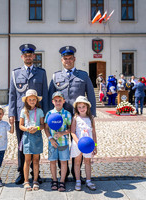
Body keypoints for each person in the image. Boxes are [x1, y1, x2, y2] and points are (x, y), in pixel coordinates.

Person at [48, 45, 96, 181]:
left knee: (79, 143)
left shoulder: (83, 75)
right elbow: (50, 95)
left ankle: (77, 172)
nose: (67, 60)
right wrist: (49, 115)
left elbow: (91, 95)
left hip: (78, 116)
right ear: (62, 60)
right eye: (65, 58)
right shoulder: (56, 76)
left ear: (74, 59)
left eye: (70, 58)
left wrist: (91, 115)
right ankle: (62, 169)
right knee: (60, 142)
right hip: (60, 116)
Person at [8, 44, 48, 184]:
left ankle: (36, 174)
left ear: (34, 56)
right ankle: (21, 172)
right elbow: (12, 95)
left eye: (30, 55)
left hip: (37, 116)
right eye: (26, 55)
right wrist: (11, 114)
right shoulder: (15, 73)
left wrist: (46, 116)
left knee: (36, 144)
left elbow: (45, 94)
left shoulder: (41, 73)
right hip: (22, 115)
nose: (28, 57)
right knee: (22, 145)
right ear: (22, 57)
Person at [44, 91, 72, 192]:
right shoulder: (49, 113)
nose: (58, 102)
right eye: (56, 100)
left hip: (63, 142)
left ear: (64, 101)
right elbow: (46, 128)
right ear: (52, 102)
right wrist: (50, 138)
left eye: (60, 100)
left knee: (64, 162)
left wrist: (62, 133)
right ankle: (54, 180)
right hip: (52, 143)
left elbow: (70, 129)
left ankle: (62, 181)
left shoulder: (67, 114)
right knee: (52, 162)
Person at [19, 89, 45, 191]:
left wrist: (37, 128)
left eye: (34, 99)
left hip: (37, 136)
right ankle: (26, 181)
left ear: (36, 100)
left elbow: (43, 125)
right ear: (26, 101)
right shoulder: (23, 111)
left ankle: (35, 180)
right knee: (27, 160)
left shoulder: (40, 111)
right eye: (30, 99)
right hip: (27, 137)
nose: (32, 101)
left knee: (36, 160)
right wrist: (27, 129)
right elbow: (21, 125)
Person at [70, 96, 97, 191]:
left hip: (89, 144)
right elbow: (72, 132)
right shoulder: (75, 118)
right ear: (76, 108)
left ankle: (88, 180)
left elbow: (94, 133)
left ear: (87, 107)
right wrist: (78, 142)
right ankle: (78, 180)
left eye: (83, 106)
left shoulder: (91, 118)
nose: (81, 109)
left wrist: (95, 146)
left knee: (87, 161)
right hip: (78, 143)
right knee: (77, 162)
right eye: (79, 107)